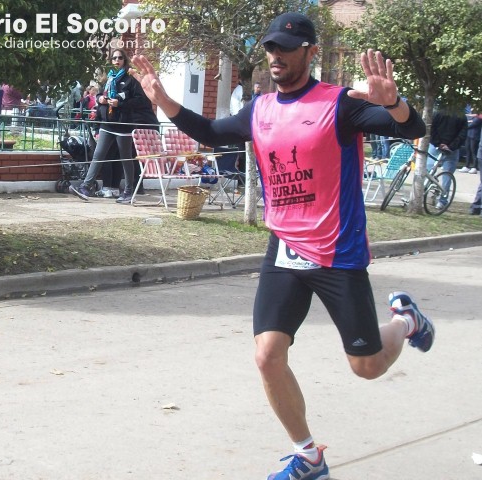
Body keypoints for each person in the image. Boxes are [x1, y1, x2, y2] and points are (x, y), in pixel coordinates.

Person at [131, 12, 431, 480]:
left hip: (337, 253)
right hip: (285, 248)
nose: (276, 56)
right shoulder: (260, 108)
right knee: (267, 354)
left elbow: (410, 130)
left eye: (286, 49)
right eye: (271, 48)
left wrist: (394, 104)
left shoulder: (340, 104)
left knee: (367, 366)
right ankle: (309, 456)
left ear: (310, 53)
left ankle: (405, 320)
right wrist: (164, 100)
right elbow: (211, 133)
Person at [70, 49, 158, 204]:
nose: (117, 60)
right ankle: (86, 187)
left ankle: (129, 191)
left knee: (125, 158)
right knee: (98, 155)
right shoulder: (109, 78)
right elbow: (99, 95)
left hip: (123, 125)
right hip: (107, 123)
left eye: (120, 58)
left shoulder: (131, 79)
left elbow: (141, 101)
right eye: (114, 58)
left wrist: (120, 103)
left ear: (124, 60)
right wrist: (100, 99)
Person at [427, 108, 468, 208]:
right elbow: (462, 135)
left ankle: (425, 192)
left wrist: (438, 143)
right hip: (451, 148)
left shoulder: (438, 112)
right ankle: (442, 201)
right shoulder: (462, 116)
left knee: (428, 171)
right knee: (447, 176)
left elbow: (432, 128)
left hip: (435, 146)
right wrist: (451, 146)